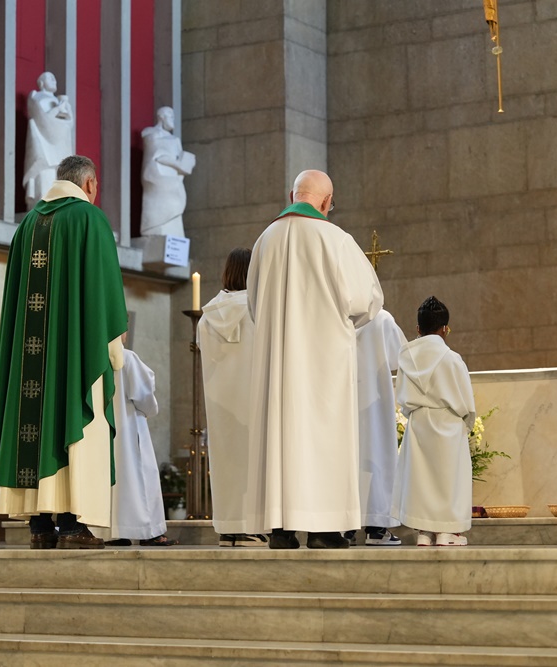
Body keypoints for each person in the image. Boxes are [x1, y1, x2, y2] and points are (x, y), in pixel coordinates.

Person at [0, 155, 128, 549]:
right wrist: (113, 344)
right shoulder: (89, 219)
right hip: (75, 354)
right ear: (90, 184)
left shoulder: (27, 225)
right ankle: (70, 526)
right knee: (73, 420)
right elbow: (104, 290)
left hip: (30, 359)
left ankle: (39, 527)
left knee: (35, 423)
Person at [247, 169, 384, 549]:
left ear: (292, 195)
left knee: (281, 438)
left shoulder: (264, 240)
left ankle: (280, 529)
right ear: (326, 202)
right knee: (321, 436)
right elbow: (366, 300)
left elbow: (254, 305)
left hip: (277, 364)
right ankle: (323, 530)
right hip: (323, 363)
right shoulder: (335, 239)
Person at [392, 296, 476, 548]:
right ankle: (447, 532)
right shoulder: (452, 359)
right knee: (448, 479)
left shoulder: (406, 358)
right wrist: (466, 422)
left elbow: (402, 398)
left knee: (422, 481)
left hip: (418, 423)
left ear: (418, 329)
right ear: (445, 329)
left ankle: (425, 532)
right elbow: (465, 402)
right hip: (448, 424)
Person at [198, 247, 267, 547]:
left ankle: (228, 528)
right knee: (252, 462)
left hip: (219, 406)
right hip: (252, 400)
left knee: (225, 463)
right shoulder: (257, 311)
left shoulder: (207, 317)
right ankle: (250, 526)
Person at [107, 335, 178, 547]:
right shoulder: (126, 358)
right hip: (130, 427)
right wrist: (150, 410)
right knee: (141, 477)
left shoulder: (92, 360)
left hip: (105, 432)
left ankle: (115, 533)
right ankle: (149, 532)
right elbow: (144, 395)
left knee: (113, 481)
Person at [350, 309, 407, 546]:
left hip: (345, 402)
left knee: (348, 461)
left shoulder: (335, 316)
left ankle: (345, 529)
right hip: (375, 401)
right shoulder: (381, 318)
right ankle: (376, 528)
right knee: (378, 457)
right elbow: (400, 357)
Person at [140, 106, 196, 238]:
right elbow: (155, 155)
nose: (173, 120)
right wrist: (178, 164)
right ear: (161, 117)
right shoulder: (150, 133)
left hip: (174, 181)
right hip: (158, 181)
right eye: (170, 116)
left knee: (175, 205)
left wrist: (185, 165)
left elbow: (179, 157)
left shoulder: (175, 140)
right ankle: (153, 227)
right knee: (159, 210)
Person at [23, 71, 74, 211]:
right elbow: (42, 120)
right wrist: (58, 109)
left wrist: (66, 109)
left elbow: (67, 124)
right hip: (43, 148)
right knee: (44, 180)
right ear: (41, 83)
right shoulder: (36, 97)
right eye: (50, 78)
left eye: (54, 78)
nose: (54, 80)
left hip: (60, 149)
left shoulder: (59, 101)